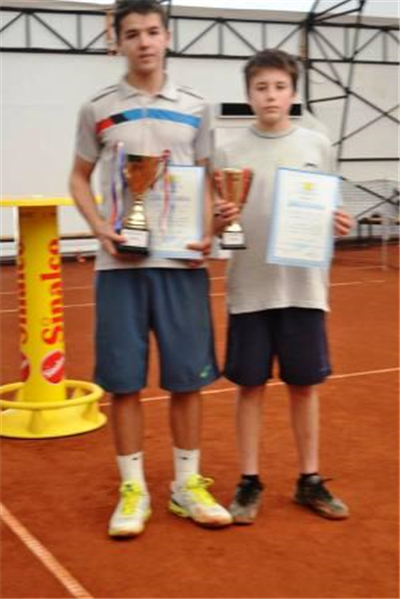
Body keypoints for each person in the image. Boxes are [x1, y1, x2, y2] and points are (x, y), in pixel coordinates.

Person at [69, 0, 232, 538]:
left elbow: (209, 178)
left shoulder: (197, 107)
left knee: (187, 379)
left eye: (152, 32)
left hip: (181, 262)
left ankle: (186, 485)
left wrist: (208, 231)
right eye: (133, 33)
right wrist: (100, 227)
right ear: (117, 42)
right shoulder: (97, 108)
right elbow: (78, 177)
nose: (144, 42)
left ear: (167, 37)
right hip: (119, 265)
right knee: (123, 382)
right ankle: (133, 490)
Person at [213, 48, 352, 525]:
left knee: (304, 387)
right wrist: (219, 219)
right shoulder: (228, 152)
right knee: (249, 387)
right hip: (250, 289)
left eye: (279, 87)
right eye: (261, 88)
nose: (270, 96)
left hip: (303, 288)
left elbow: (330, 208)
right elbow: (217, 224)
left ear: (293, 93)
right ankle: (249, 480)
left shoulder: (317, 144)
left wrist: (338, 222)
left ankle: (309, 478)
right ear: (248, 94)